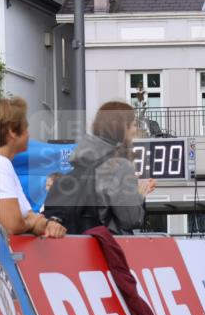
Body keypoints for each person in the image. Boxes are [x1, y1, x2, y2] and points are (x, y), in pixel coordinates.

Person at [66, 101, 155, 235]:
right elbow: (131, 219)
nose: (135, 130)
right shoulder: (119, 166)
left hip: (78, 244)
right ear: (122, 128)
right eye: (133, 125)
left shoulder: (80, 162)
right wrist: (140, 195)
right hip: (105, 246)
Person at [0, 96, 66, 238]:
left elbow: (29, 215)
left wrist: (44, 223)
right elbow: (12, 225)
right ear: (12, 131)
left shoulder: (5, 165)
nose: (29, 134)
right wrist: (30, 223)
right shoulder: (1, 165)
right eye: (26, 127)